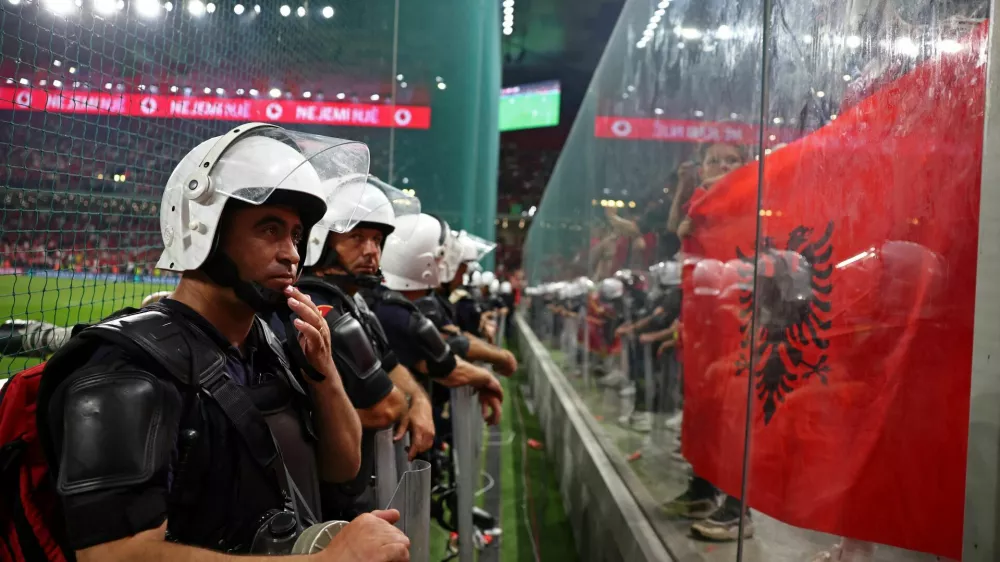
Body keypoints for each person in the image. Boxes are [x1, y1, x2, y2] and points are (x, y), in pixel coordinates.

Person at [36, 124, 410, 561]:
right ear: (203, 230)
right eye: (269, 229)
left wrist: (323, 373)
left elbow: (342, 469)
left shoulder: (270, 343)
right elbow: (114, 555)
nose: (292, 253)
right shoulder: (124, 368)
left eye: (295, 235)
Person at [271, 174, 435, 519]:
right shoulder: (319, 306)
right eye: (357, 237)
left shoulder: (356, 303)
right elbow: (386, 409)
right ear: (320, 241)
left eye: (377, 240)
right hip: (330, 501)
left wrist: (419, 400)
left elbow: (391, 366)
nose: (371, 251)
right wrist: (402, 402)